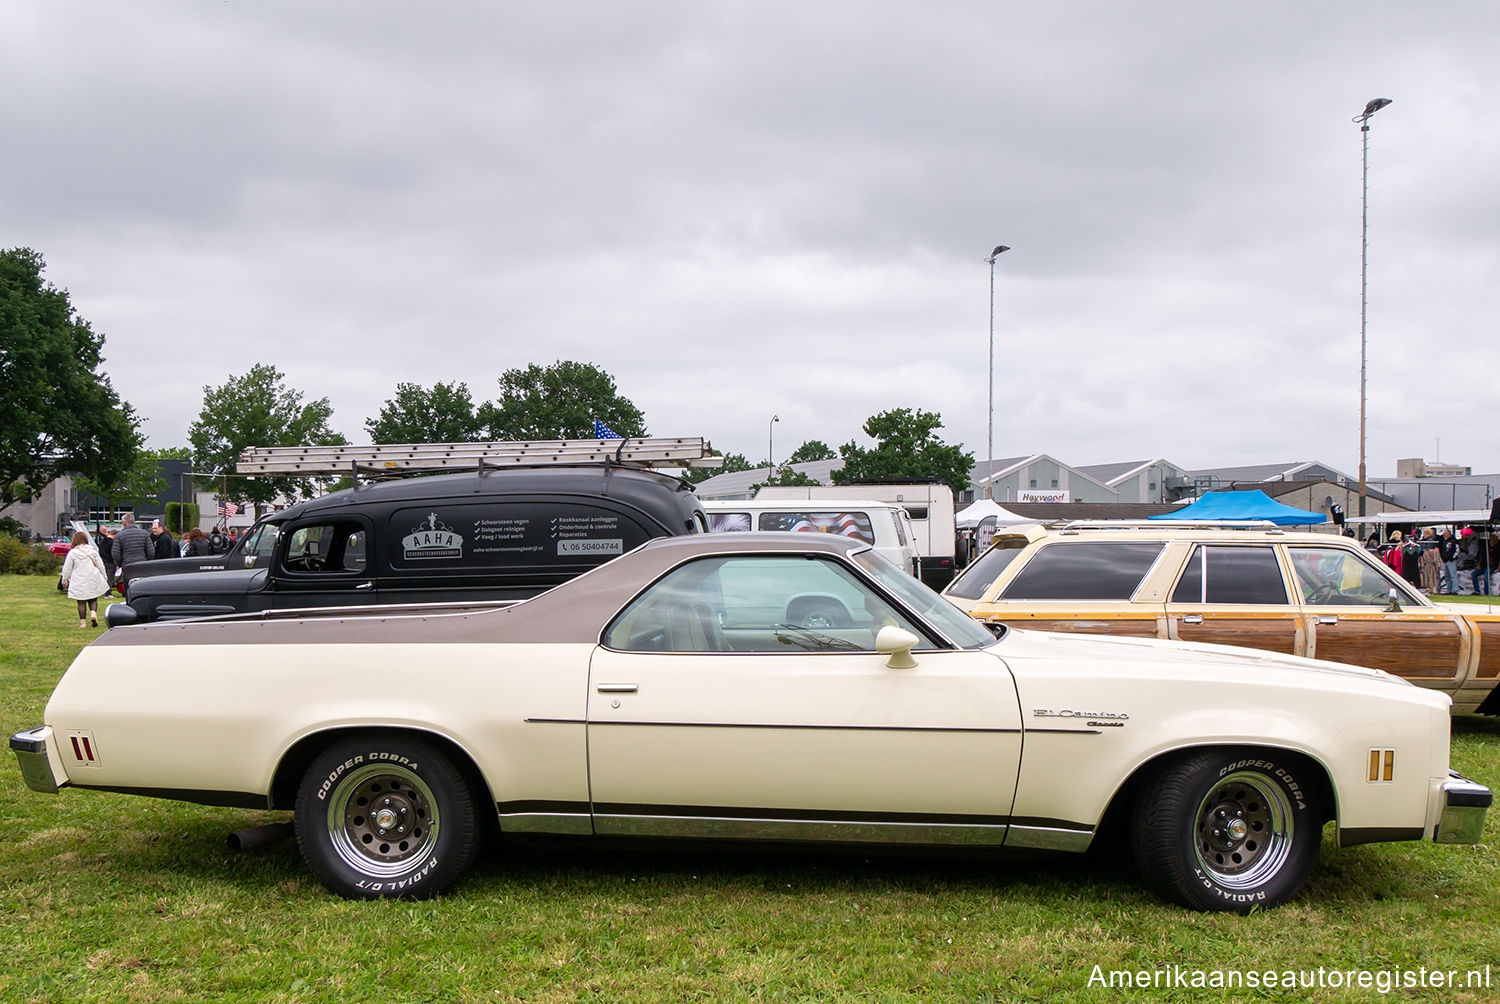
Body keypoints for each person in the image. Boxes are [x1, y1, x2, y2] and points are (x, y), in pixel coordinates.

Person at [59, 531, 111, 628]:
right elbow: (100, 565)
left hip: (79, 579)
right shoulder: (93, 551)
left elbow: (67, 568)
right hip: (92, 577)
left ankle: (83, 623)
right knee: (93, 598)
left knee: (81, 601)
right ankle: (93, 613)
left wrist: (64, 580)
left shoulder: (73, 553)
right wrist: (104, 576)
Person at [112, 513, 153, 585]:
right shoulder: (144, 533)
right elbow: (151, 552)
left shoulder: (119, 535)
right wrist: (146, 560)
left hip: (127, 565)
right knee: (142, 585)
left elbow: (115, 554)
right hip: (142, 564)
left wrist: (120, 563)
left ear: (124, 523)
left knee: (129, 586)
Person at [1418, 528, 1442, 593]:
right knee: (1428, 577)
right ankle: (1429, 589)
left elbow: (1426, 548)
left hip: (1430, 563)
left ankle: (1432, 590)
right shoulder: (1424, 540)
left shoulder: (1431, 541)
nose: (1423, 535)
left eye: (1425, 534)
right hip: (1427, 563)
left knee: (1431, 577)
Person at [1438, 527, 1460, 595]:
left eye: (1445, 534)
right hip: (1444, 561)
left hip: (1451, 561)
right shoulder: (1444, 541)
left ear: (1449, 534)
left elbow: (1457, 550)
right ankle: (1449, 590)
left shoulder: (1454, 541)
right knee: (1447, 576)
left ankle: (1455, 590)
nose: (1444, 535)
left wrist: (1452, 558)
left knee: (1453, 576)